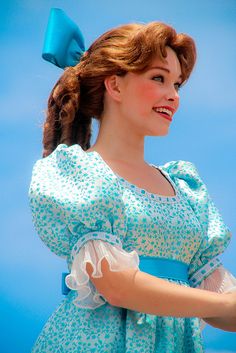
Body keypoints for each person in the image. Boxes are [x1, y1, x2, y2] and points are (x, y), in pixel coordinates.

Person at [29, 8, 236, 353]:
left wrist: (226, 304)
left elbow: (222, 295)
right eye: (159, 78)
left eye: (177, 84)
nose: (174, 95)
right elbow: (117, 286)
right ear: (114, 84)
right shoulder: (83, 175)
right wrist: (222, 306)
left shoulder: (186, 190)